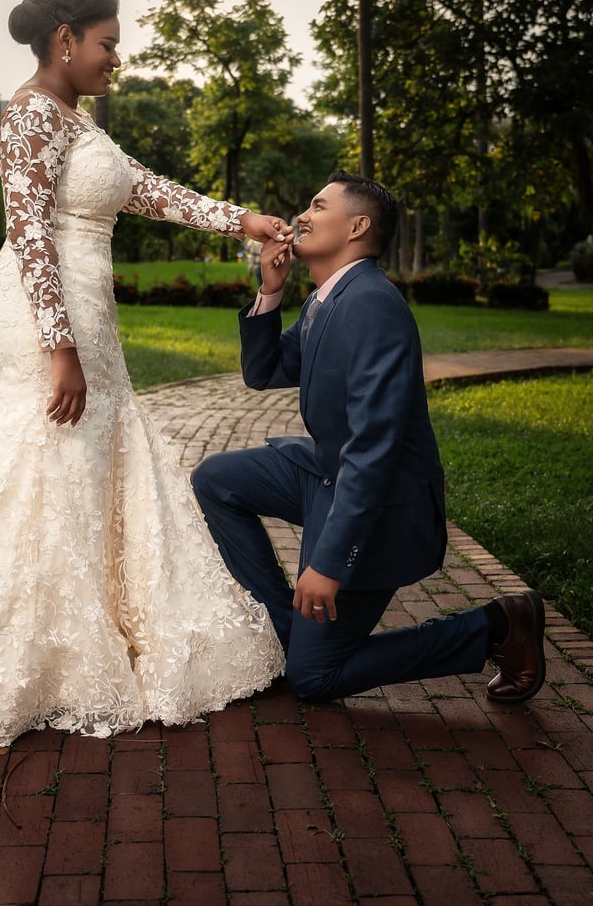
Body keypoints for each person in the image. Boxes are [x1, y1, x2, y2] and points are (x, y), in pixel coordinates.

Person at [0, 0, 287, 754]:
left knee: (94, 451)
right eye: (108, 41)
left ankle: (99, 623)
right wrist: (59, 349)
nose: (117, 56)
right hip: (46, 310)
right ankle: (41, 653)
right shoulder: (30, 113)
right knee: (53, 448)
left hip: (86, 306)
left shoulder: (76, 118)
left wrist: (242, 220)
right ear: (65, 39)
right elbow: (30, 232)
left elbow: (146, 190)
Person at [191, 171, 546, 705]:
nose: (301, 216)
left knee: (314, 679)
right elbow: (265, 370)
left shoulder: (372, 305)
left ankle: (496, 626)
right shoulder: (329, 297)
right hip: (324, 473)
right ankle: (289, 630)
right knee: (217, 480)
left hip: (378, 503)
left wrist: (329, 563)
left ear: (357, 226)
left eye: (317, 205)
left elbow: (373, 450)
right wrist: (270, 291)